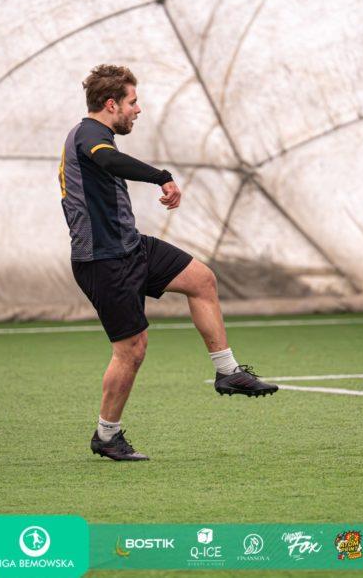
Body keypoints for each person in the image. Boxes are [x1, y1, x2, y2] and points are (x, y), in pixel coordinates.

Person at [59, 64, 278, 461]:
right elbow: (109, 162)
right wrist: (161, 176)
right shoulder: (89, 134)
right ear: (111, 104)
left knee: (201, 279)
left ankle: (228, 372)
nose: (138, 109)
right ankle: (107, 436)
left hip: (131, 247)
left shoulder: (96, 135)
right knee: (132, 350)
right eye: (132, 101)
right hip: (103, 260)